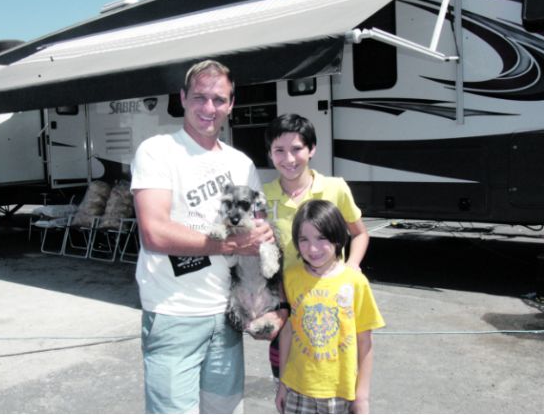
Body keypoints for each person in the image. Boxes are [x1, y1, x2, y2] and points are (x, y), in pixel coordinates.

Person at [130, 59, 277, 414]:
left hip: (227, 315)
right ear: (182, 98)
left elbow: (259, 229)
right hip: (173, 314)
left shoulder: (241, 163)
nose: (209, 108)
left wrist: (263, 237)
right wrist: (230, 244)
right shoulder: (157, 151)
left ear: (231, 104)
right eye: (199, 97)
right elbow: (154, 232)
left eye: (219, 99)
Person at [262, 113, 370, 377]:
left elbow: (359, 234)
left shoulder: (335, 188)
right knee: (286, 379)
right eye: (279, 150)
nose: (289, 159)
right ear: (270, 153)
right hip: (285, 305)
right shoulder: (263, 196)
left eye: (297, 149)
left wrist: (352, 266)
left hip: (330, 303)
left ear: (312, 149)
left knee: (331, 375)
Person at [276, 200, 385, 414]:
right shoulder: (290, 279)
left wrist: (362, 396)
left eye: (321, 238)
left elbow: (365, 342)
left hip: (340, 394)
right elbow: (287, 332)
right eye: (304, 239)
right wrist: (282, 383)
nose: (313, 248)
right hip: (297, 389)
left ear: (337, 237)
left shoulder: (355, 282)